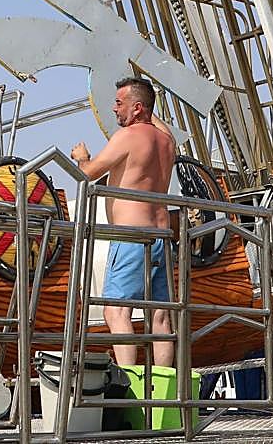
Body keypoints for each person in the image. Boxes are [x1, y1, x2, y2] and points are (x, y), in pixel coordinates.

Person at [71, 77, 176, 367]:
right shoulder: (167, 142)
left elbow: (88, 174)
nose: (114, 109)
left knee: (116, 311)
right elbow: (155, 119)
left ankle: (130, 388)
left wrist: (83, 157)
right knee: (161, 315)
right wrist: (145, 100)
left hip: (132, 237)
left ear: (138, 108)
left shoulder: (128, 136)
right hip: (162, 236)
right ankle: (162, 396)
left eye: (119, 103)